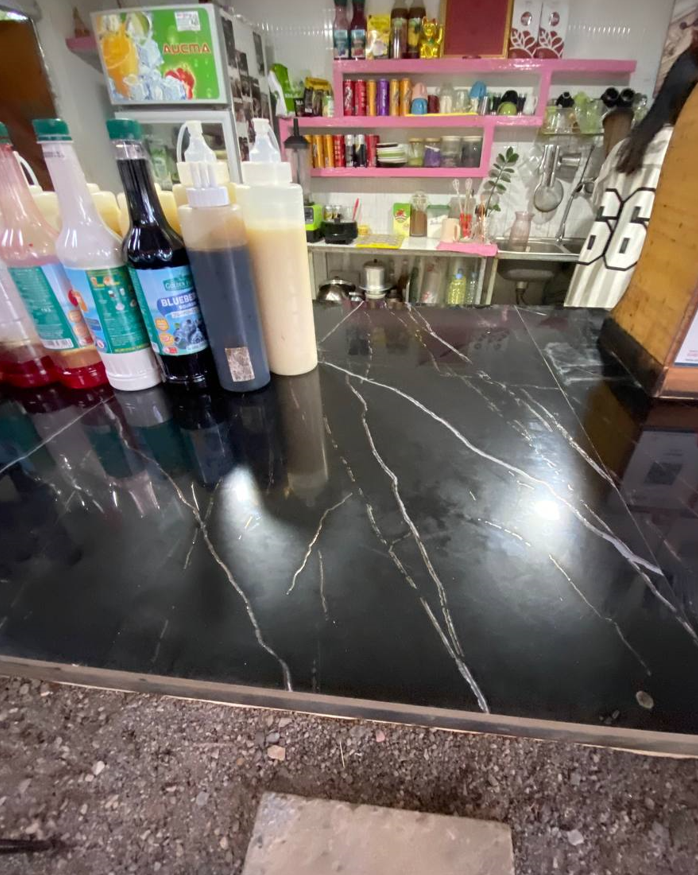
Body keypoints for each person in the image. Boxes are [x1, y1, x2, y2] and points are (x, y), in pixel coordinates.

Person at [565, 40, 698, 309]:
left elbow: (599, 203)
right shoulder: (683, 161)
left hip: (585, 294)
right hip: (628, 308)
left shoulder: (626, 149)